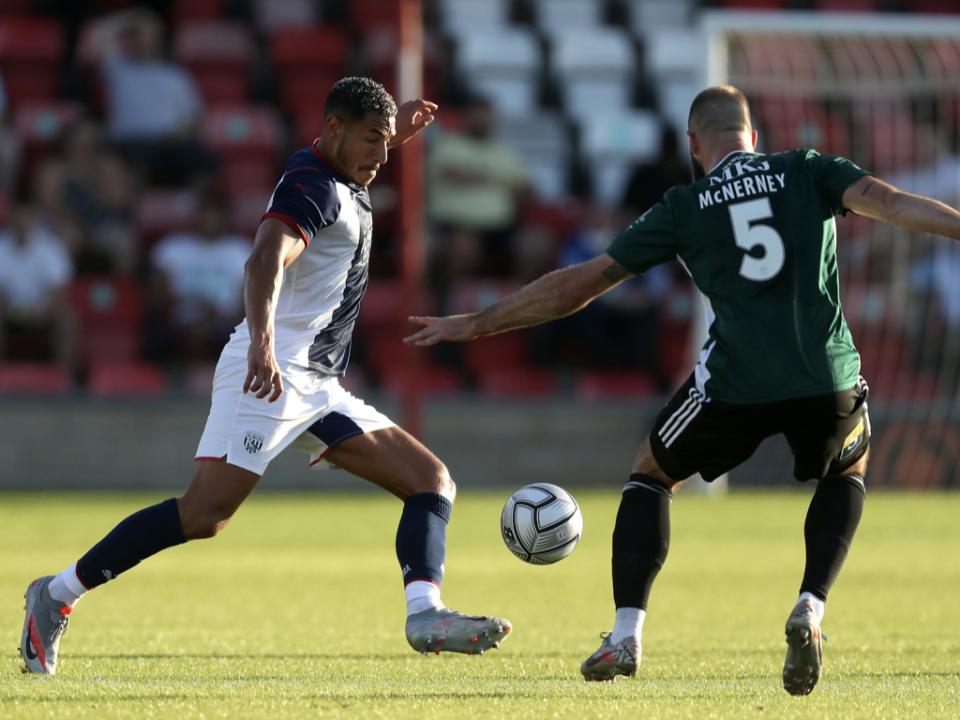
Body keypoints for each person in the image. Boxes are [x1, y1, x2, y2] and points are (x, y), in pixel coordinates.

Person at [404, 86, 960, 695]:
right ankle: (810, 604)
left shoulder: (684, 204)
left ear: (694, 145)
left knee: (650, 473)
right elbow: (893, 203)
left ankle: (625, 634)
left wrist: (478, 322)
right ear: (753, 136)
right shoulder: (808, 167)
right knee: (847, 471)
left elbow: (582, 283)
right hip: (824, 374)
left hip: (735, 383)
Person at [20, 77, 510, 676]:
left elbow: (354, 158)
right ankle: (56, 595)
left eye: (385, 142)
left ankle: (425, 612)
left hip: (320, 386)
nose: (381, 156)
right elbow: (264, 257)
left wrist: (394, 131)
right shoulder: (314, 186)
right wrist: (262, 344)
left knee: (431, 481)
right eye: (371, 141)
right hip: (271, 374)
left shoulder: (338, 169)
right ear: (332, 131)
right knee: (204, 516)